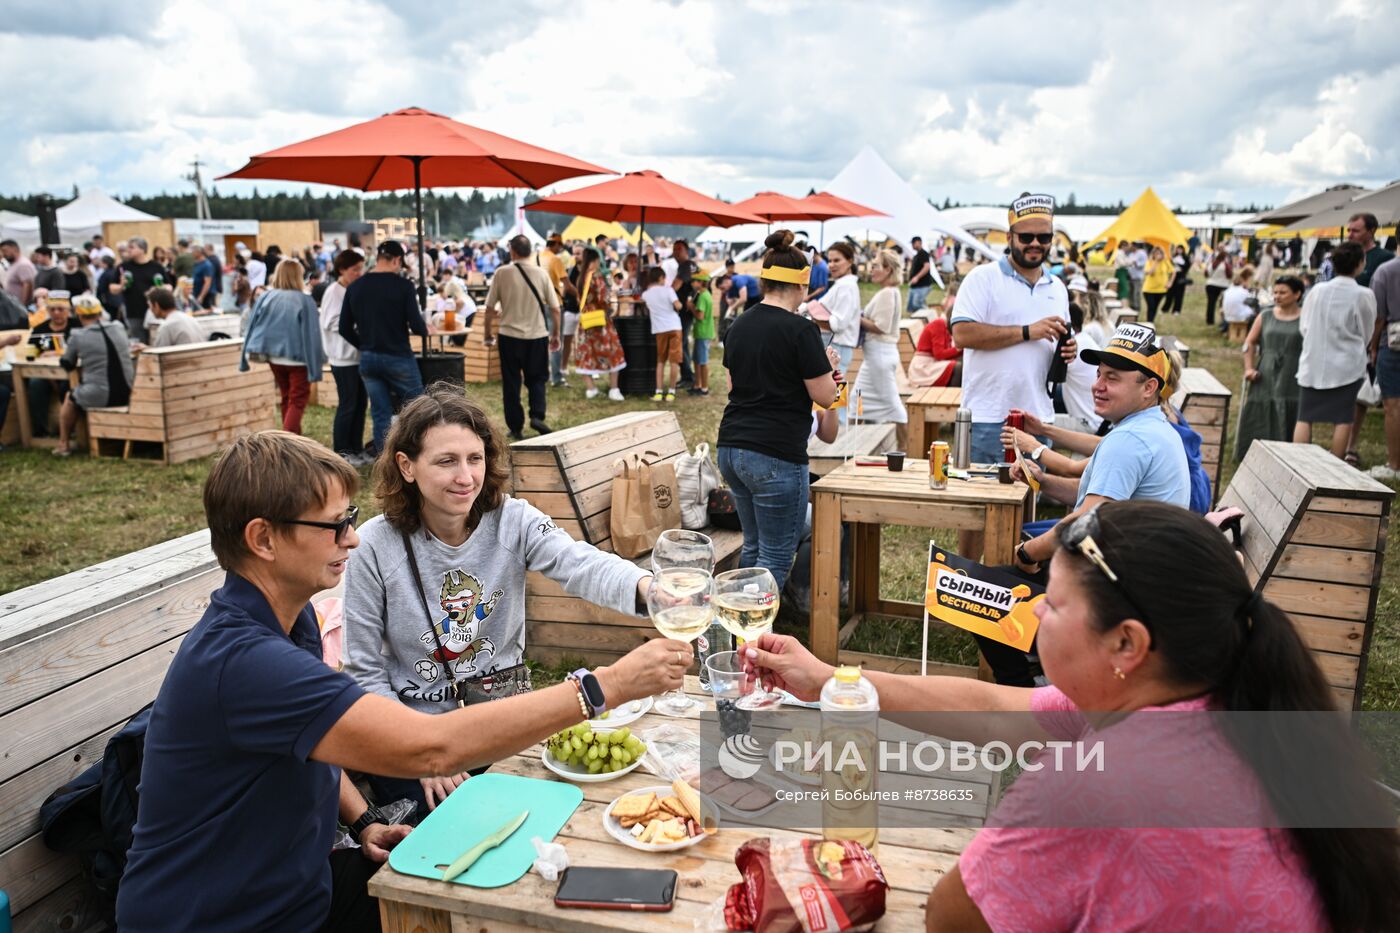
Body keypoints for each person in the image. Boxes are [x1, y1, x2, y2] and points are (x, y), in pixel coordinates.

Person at [115, 430, 688, 932]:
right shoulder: (249, 661)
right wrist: (602, 687)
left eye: (351, 520)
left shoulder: (284, 621)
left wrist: (362, 820)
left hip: (297, 889)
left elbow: (312, 742)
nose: (353, 539)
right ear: (263, 539)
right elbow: (429, 747)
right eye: (335, 525)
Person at [740, 501, 1400, 933]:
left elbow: (949, 917)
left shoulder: (1100, 783)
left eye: (1051, 605)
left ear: (1127, 643)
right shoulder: (1223, 690)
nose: (1030, 615)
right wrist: (831, 679)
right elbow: (999, 709)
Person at [342, 388, 672, 818]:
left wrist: (650, 589)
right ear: (406, 466)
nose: (466, 477)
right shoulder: (372, 546)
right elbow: (363, 673)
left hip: (505, 720)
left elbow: (580, 564)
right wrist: (421, 752)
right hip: (415, 735)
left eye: (474, 459)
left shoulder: (512, 519)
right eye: (446, 461)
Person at [988, 325, 1189, 684]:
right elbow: (1093, 494)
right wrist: (1044, 480)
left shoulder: (1129, 439)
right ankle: (1050, 675)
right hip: (1139, 578)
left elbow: (1085, 519)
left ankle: (1033, 699)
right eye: (1098, 375)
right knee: (998, 584)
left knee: (987, 598)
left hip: (1119, 592)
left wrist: (1028, 553)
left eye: (1113, 377)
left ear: (1148, 388)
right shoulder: (1149, 426)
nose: (1098, 384)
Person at [950, 193, 1071, 558]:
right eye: (1027, 237)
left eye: (1044, 237)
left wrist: (1067, 353)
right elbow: (962, 334)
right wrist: (1026, 331)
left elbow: (1049, 346)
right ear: (1010, 236)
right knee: (977, 513)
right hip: (989, 416)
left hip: (1036, 418)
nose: (1035, 244)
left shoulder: (1057, 287)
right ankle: (965, 582)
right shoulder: (982, 279)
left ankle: (1011, 586)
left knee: (1025, 510)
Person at [717, 230, 839, 590]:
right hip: (776, 453)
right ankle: (751, 637)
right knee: (775, 555)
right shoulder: (801, 331)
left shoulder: (738, 325)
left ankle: (736, 629)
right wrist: (829, 369)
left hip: (732, 446)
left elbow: (733, 387)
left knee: (753, 546)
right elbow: (825, 397)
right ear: (801, 287)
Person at [339, 240, 428, 452]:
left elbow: (344, 327)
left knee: (380, 414)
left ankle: (385, 461)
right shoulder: (404, 286)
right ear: (397, 260)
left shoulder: (355, 286)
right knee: (421, 409)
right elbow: (417, 326)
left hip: (369, 358)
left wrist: (364, 345)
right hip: (398, 356)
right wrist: (426, 329)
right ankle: (423, 453)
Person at [1294, 241, 1375, 460]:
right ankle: (1336, 463)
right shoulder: (1363, 294)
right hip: (1346, 365)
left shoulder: (1317, 290)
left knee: (1305, 416)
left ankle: (1297, 461)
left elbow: (1305, 325)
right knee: (1343, 418)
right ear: (1360, 263)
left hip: (1314, 359)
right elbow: (1367, 330)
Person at [480, 235, 560, 440]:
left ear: (513, 251)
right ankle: (537, 415)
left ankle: (516, 426)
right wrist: (556, 334)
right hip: (537, 335)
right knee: (537, 378)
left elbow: (489, 309)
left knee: (511, 382)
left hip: (509, 335)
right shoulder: (541, 274)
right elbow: (555, 308)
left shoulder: (501, 273)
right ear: (530, 251)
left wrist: (488, 333)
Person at [241, 259, 325, 436]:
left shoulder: (266, 297)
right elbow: (312, 334)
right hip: (298, 360)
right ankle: (287, 442)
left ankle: (294, 440)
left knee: (287, 397)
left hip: (273, 358)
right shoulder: (304, 300)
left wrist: (244, 358)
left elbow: (251, 326)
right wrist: (316, 366)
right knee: (297, 400)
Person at [53, 296, 134, 457]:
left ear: (79, 316)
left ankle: (64, 444)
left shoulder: (78, 335)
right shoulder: (118, 327)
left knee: (70, 397)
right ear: (99, 313)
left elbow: (68, 363)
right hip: (130, 391)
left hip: (101, 394)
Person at [1236, 275, 1305, 460]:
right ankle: (1251, 453)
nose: (1277, 296)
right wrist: (1249, 368)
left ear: (1297, 294)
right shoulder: (1265, 315)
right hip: (1266, 370)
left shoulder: (1306, 317)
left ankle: (1288, 455)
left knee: (1291, 409)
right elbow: (1249, 342)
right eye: (1275, 292)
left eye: (1283, 292)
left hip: (1293, 371)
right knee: (1261, 405)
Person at [320, 250, 371, 465]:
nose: (359, 273)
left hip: (357, 356)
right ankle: (341, 451)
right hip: (343, 358)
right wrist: (355, 324)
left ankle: (356, 448)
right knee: (348, 404)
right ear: (342, 270)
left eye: (361, 268)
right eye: (355, 269)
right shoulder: (334, 292)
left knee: (360, 404)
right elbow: (329, 322)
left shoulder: (352, 289)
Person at [853, 249, 908, 442]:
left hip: (880, 356)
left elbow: (881, 327)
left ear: (887, 269)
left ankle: (907, 448)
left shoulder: (887, 293)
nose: (871, 270)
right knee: (855, 402)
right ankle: (858, 446)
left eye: (875, 265)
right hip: (876, 357)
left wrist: (856, 317)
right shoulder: (890, 292)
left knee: (893, 407)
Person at [569, 247, 626, 401]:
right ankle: (614, 389)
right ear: (595, 260)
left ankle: (591, 388)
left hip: (585, 321)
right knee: (614, 353)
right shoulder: (596, 277)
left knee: (586, 354)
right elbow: (604, 299)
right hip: (601, 322)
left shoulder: (581, 278)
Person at [1366, 256, 1400, 480]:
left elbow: (1377, 317)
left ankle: (1395, 464)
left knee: (1393, 405)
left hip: (1393, 342)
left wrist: (1374, 345)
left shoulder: (1386, 271)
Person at [24, 296, 75, 438]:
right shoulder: (40, 329)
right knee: (35, 384)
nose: (57, 313)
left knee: (68, 384)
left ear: (68, 311)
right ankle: (41, 430)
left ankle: (70, 429)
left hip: (71, 371)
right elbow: (30, 355)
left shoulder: (76, 326)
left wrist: (59, 352)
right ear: (47, 311)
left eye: (61, 309)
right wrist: (40, 354)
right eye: (52, 309)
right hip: (46, 373)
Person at [821, 242, 862, 383]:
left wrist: (813, 317)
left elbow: (838, 324)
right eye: (829, 261)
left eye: (837, 260)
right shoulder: (842, 285)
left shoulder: (847, 287)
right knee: (835, 397)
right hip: (836, 346)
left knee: (835, 398)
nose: (831, 265)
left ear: (850, 261)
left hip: (838, 347)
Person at [642, 266, 683, 402]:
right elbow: (678, 306)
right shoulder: (668, 290)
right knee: (674, 361)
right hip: (674, 327)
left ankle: (658, 392)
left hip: (659, 330)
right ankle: (671, 392)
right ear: (661, 278)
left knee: (660, 361)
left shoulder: (646, 294)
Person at [115, 237, 167, 342]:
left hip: (155, 311)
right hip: (133, 311)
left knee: (156, 340)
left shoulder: (156, 266)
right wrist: (121, 285)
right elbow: (112, 288)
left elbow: (169, 286)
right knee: (139, 342)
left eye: (132, 247)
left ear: (142, 249)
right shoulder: (123, 267)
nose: (128, 250)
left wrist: (158, 289)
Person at [541, 236, 572, 387]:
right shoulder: (555, 260)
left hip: (539, 304)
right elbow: (566, 284)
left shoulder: (536, 257)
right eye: (561, 245)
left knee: (541, 341)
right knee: (555, 340)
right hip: (554, 304)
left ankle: (542, 375)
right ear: (556, 244)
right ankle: (557, 378)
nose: (561, 248)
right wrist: (576, 294)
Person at [907, 301, 961, 388]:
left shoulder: (945, 326)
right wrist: (960, 348)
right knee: (958, 368)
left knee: (963, 363)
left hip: (933, 364)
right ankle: (951, 397)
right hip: (923, 368)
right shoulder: (939, 324)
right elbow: (939, 354)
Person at [1349, 211, 1395, 288]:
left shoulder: (1385, 257)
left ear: (1371, 231)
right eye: (1349, 230)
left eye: (1355, 231)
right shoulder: (1345, 256)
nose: (1350, 235)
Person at [689, 270, 716, 396]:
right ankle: (697, 385)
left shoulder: (703, 297)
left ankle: (704, 388)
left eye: (695, 281)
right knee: (697, 360)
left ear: (702, 282)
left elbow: (700, 316)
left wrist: (691, 307)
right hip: (702, 332)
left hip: (703, 332)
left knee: (703, 362)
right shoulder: (704, 294)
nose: (692, 283)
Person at [1141, 246, 1174, 323]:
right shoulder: (1149, 262)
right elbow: (1150, 273)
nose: (1158, 255)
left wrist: (1170, 282)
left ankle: (1151, 322)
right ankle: (1149, 323)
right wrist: (1156, 261)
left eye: (1160, 253)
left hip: (1161, 290)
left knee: (1155, 307)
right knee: (1151, 307)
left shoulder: (1165, 261)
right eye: (1156, 253)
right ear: (1153, 254)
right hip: (1149, 290)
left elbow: (1173, 272)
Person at [1204, 245, 1233, 327]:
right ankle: (1224, 321)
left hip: (1211, 284)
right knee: (1223, 305)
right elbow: (1229, 275)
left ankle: (1210, 321)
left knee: (1211, 304)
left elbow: (1206, 273)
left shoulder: (1212, 263)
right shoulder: (1226, 265)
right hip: (1223, 286)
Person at [2, 239, 36, 307]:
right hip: (13, 305)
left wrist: (22, 306)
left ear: (14, 249)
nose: (3, 254)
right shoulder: (14, 264)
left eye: (5, 250)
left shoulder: (23, 264)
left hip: (19, 306)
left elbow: (27, 285)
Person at [907, 235, 935, 313]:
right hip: (915, 286)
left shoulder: (923, 253)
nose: (912, 245)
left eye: (913, 243)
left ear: (919, 242)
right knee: (912, 307)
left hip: (922, 285)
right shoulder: (917, 255)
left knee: (917, 304)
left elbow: (927, 267)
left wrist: (917, 277)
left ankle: (930, 315)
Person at [1161, 244, 1190, 315]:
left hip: (1180, 278)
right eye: (1178, 249)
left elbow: (1187, 267)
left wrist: (1180, 266)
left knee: (1179, 295)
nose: (1179, 250)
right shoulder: (1174, 257)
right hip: (1172, 277)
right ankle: (1165, 309)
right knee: (1169, 294)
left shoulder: (1186, 258)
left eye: (1181, 249)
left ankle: (1176, 310)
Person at [1111, 241, 1133, 308]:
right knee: (1124, 290)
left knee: (1122, 289)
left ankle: (1121, 305)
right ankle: (1124, 306)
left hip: (1123, 272)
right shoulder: (1119, 253)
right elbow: (1123, 263)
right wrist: (1130, 263)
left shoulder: (1122, 253)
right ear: (1123, 246)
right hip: (1120, 271)